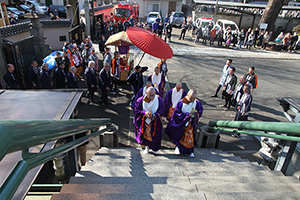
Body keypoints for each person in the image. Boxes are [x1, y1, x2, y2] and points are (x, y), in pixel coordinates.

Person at [165, 89, 203, 157]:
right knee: (180, 136)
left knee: (190, 138)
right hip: (182, 123)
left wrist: (195, 115)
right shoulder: (181, 102)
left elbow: (200, 111)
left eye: (193, 98)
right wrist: (186, 116)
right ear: (187, 95)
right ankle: (178, 148)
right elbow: (177, 114)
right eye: (191, 98)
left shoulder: (196, 102)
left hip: (191, 123)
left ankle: (189, 151)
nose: (192, 100)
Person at [134, 87, 165, 154]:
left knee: (155, 135)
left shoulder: (159, 100)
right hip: (145, 121)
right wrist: (144, 113)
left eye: (153, 95)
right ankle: (147, 147)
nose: (152, 97)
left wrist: (155, 115)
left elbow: (162, 110)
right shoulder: (140, 100)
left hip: (155, 122)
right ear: (146, 93)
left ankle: (155, 148)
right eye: (150, 95)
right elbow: (136, 110)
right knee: (146, 135)